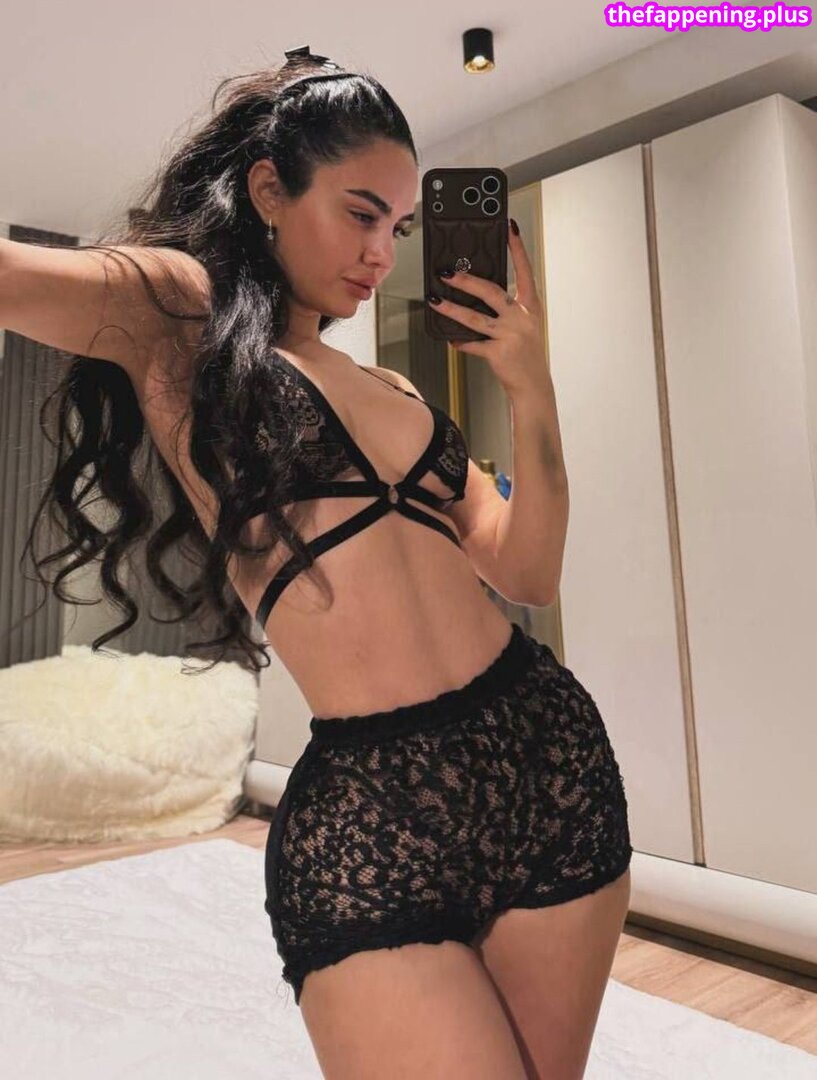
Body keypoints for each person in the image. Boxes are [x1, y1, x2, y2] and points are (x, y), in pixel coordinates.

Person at [0, 45, 633, 1079]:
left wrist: (532, 388)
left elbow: (527, 573)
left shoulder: (399, 395)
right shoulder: (182, 319)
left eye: (399, 228)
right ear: (268, 192)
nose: (381, 254)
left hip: (545, 761)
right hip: (369, 811)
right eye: (359, 213)